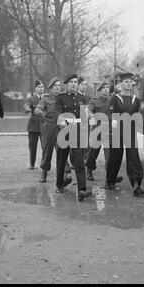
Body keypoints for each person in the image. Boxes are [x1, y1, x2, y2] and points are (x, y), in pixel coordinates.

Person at [105, 72, 144, 197]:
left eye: (130, 82)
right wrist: (113, 120)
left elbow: (138, 115)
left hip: (130, 131)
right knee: (115, 156)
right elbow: (109, 114)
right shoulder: (115, 98)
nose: (128, 84)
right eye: (126, 82)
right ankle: (110, 181)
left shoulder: (136, 100)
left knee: (133, 156)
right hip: (118, 131)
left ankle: (136, 184)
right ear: (120, 84)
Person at [55, 73, 92, 201]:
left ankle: (82, 190)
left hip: (78, 131)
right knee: (62, 159)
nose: (74, 84)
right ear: (66, 84)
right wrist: (62, 123)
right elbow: (58, 113)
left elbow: (86, 114)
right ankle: (59, 184)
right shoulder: (61, 98)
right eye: (71, 82)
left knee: (79, 161)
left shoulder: (83, 98)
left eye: (76, 82)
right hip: (65, 131)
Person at [34, 77, 72, 184]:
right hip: (49, 127)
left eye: (59, 86)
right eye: (55, 86)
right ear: (50, 88)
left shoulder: (63, 99)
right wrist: (41, 113)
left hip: (61, 127)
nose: (58, 88)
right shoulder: (45, 99)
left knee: (62, 150)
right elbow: (37, 109)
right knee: (47, 151)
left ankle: (65, 173)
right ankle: (44, 172)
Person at [85, 81, 122, 183]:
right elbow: (89, 110)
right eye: (104, 88)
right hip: (97, 131)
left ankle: (110, 176)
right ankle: (89, 169)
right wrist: (90, 116)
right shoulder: (94, 101)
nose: (106, 90)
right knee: (93, 153)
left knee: (109, 154)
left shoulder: (112, 100)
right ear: (100, 90)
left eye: (107, 88)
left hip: (109, 131)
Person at [24, 80, 45, 169]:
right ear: (36, 89)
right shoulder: (31, 99)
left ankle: (44, 164)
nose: (41, 88)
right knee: (32, 146)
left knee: (45, 146)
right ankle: (32, 164)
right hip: (33, 126)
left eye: (42, 87)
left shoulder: (46, 99)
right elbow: (26, 105)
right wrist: (27, 109)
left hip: (44, 125)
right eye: (39, 87)